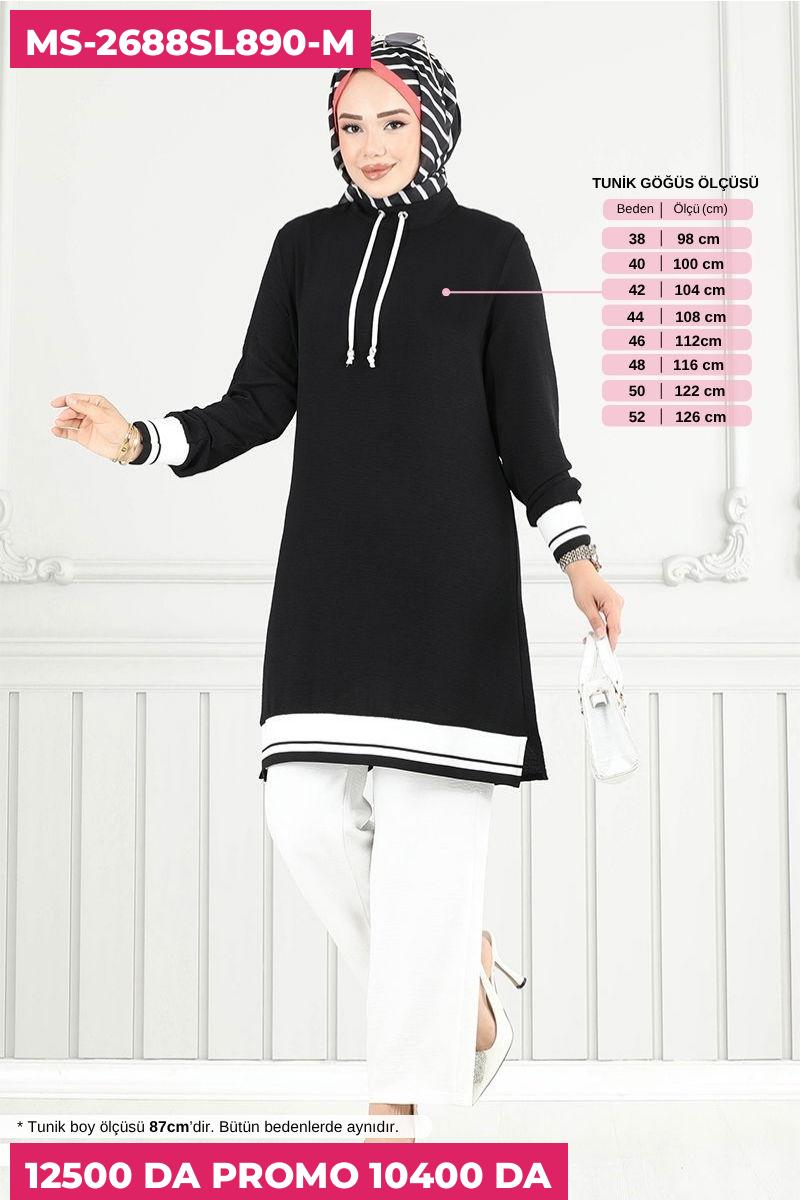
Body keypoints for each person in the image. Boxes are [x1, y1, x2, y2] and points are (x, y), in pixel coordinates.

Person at [50, 33, 624, 1132]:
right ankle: (462, 995)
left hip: (453, 594)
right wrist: (136, 440)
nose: (370, 145)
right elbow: (259, 402)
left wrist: (576, 555)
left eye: (392, 122)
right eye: (350, 126)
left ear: (434, 125)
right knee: (303, 817)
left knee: (429, 851)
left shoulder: (493, 249)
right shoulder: (303, 248)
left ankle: (402, 1110)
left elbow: (530, 435)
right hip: (328, 583)